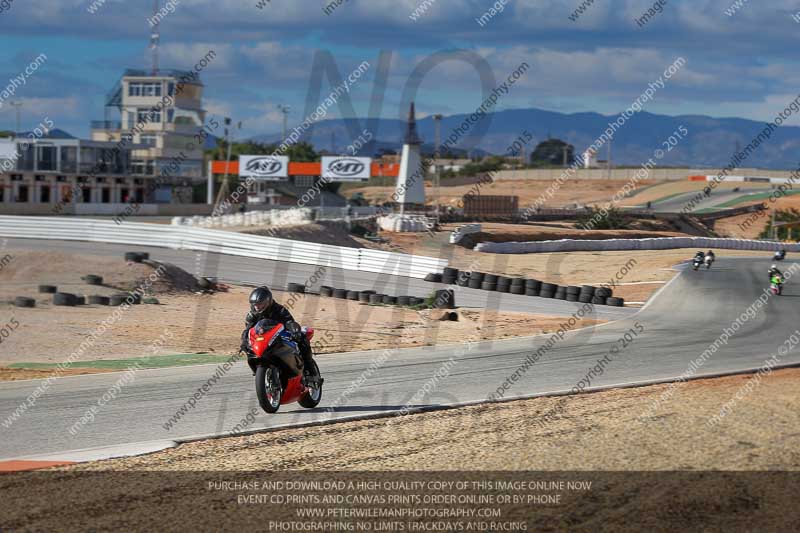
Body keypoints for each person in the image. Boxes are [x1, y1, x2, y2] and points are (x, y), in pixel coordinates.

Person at [239, 286, 317, 384]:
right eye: (255, 304)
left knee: (302, 338)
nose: (257, 307)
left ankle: (311, 372)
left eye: (260, 304)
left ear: (268, 302)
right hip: (263, 340)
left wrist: (294, 330)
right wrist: (244, 341)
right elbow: (248, 330)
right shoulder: (252, 315)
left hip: (281, 336)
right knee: (247, 347)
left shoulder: (279, 309)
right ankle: (259, 372)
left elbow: (289, 321)